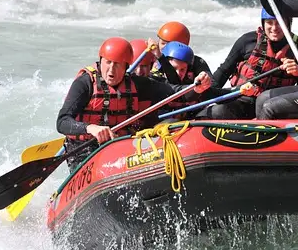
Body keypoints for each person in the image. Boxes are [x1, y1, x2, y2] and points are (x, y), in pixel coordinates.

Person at [56, 37, 212, 171]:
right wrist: (91, 128)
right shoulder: (85, 84)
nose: (111, 70)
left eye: (117, 64)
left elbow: (176, 94)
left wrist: (198, 89)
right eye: (108, 62)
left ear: (126, 67)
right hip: (83, 148)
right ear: (100, 61)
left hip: (119, 147)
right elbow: (62, 121)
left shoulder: (138, 84)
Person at [201, 8, 298, 119]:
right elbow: (223, 72)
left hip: (275, 106)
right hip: (243, 100)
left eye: (280, 23)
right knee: (216, 111)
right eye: (269, 23)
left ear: (288, 24)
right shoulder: (247, 41)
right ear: (263, 23)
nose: (274, 28)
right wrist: (208, 91)